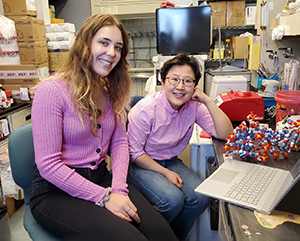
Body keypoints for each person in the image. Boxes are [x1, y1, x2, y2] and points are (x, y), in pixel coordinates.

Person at [30, 14, 178, 241]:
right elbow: (49, 165)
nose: (112, 53)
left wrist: (118, 189)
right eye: (104, 43)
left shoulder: (109, 89)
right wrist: (104, 197)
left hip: (100, 178)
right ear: (85, 44)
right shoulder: (52, 90)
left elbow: (119, 144)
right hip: (55, 192)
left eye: (118, 47)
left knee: (162, 234)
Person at [127, 53, 233, 240]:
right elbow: (135, 153)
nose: (180, 87)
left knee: (200, 198)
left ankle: (173, 237)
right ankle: (144, 236)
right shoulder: (145, 110)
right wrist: (165, 173)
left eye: (188, 81)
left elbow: (225, 133)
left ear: (195, 86)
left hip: (170, 160)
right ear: (163, 80)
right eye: (174, 79)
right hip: (140, 163)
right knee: (172, 201)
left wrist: (208, 100)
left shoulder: (194, 106)